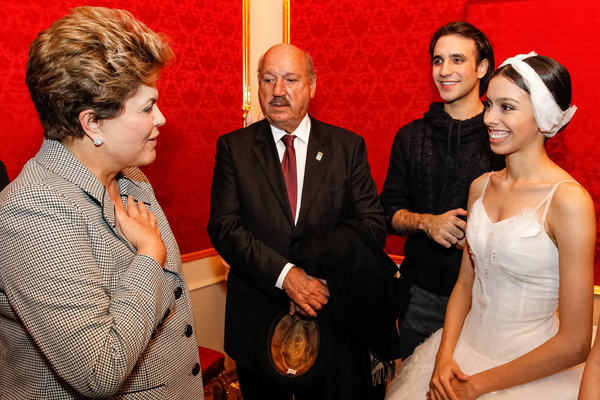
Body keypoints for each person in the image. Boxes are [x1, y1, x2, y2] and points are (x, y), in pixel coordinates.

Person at [0, 7, 204, 399]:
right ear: (92, 123)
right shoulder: (31, 212)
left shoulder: (133, 178)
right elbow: (100, 370)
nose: (161, 118)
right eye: (147, 107)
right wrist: (149, 254)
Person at [385, 52, 595, 400]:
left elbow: (575, 344)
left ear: (543, 117)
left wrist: (477, 387)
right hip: (464, 350)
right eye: (489, 104)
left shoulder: (568, 201)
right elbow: (466, 284)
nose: (489, 118)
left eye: (507, 107)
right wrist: (444, 357)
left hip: (528, 371)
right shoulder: (480, 187)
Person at [207, 43, 388, 400]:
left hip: (330, 316)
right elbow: (224, 227)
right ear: (257, 85)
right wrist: (287, 276)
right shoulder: (234, 148)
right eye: (269, 79)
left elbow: (372, 225)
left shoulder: (346, 146)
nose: (278, 91)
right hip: (257, 320)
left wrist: (316, 278)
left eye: (290, 79)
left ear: (312, 85)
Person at [379, 21, 505, 359]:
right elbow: (385, 213)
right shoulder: (410, 137)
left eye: (457, 60)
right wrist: (426, 223)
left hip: (487, 300)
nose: (444, 71)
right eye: (437, 60)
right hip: (419, 296)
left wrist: (480, 236)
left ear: (482, 68)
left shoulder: (503, 137)